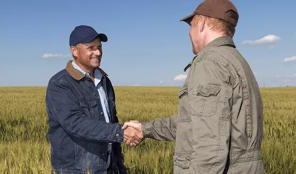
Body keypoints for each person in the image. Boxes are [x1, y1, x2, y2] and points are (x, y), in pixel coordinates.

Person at [124, 0, 265, 173]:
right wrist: (145, 129)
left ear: (202, 23)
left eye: (191, 26)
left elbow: (209, 147)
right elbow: (195, 123)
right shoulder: (236, 61)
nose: (189, 33)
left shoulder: (209, 63)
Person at [46, 25, 141, 174]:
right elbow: (75, 123)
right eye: (91, 48)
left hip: (108, 166)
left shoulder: (104, 80)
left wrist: (119, 163)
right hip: (77, 169)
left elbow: (111, 120)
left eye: (99, 47)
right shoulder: (60, 84)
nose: (98, 52)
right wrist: (121, 133)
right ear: (75, 51)